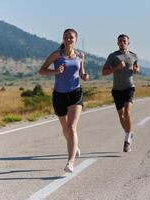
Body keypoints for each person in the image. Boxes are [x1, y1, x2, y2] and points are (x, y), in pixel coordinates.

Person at [39, 28, 89, 173]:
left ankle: (70, 162)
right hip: (59, 95)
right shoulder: (57, 55)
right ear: (63, 39)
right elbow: (42, 71)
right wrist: (55, 72)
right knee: (65, 128)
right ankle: (75, 147)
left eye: (71, 37)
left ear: (75, 40)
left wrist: (85, 76)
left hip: (75, 93)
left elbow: (82, 73)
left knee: (72, 127)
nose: (68, 39)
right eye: (66, 37)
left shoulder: (80, 55)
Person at [102, 34, 140, 152]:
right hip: (117, 89)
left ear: (128, 43)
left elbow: (136, 68)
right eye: (120, 41)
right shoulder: (113, 56)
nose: (122, 43)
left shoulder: (133, 56)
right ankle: (129, 133)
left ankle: (127, 140)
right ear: (117, 43)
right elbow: (104, 72)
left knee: (127, 113)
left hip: (129, 87)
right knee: (121, 115)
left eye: (124, 41)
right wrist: (117, 67)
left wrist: (136, 70)